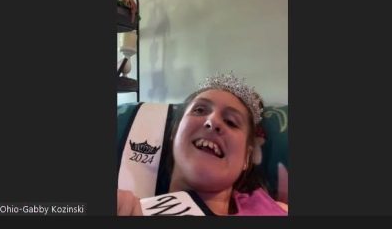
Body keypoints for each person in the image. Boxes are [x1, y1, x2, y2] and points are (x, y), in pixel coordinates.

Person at [118, 73, 288, 216]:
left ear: (246, 158)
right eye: (199, 110)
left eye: (231, 122)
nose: (213, 121)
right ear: (174, 133)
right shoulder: (126, 209)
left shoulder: (276, 211)